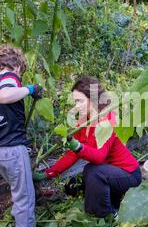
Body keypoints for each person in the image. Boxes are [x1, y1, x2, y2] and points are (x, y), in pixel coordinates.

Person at [40, 76, 142, 218]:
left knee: (93, 172)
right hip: (109, 173)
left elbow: (99, 157)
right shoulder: (84, 121)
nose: (77, 106)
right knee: (72, 185)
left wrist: (79, 147)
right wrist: (50, 173)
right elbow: (72, 153)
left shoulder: (108, 119)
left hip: (128, 174)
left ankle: (106, 215)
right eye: (75, 101)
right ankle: (113, 201)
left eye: (80, 101)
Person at [0, 44, 44, 227]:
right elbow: (5, 96)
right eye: (20, 71)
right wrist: (30, 89)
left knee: (18, 190)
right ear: (15, 66)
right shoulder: (9, 78)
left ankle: (19, 223)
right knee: (25, 196)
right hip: (11, 148)